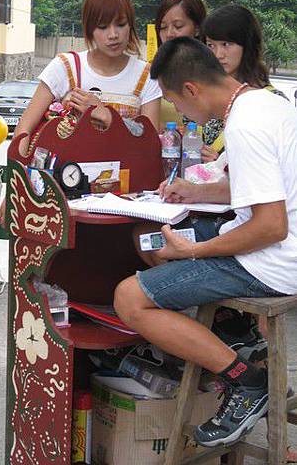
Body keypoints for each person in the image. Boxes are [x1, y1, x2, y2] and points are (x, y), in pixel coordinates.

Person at [114, 37, 297, 447]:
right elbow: (263, 188)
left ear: (192, 89)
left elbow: (270, 226)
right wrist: (200, 193)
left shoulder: (245, 125)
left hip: (274, 259)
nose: (178, 112)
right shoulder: (266, 103)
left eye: (176, 102)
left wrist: (193, 252)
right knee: (149, 241)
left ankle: (246, 382)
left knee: (129, 298)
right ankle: (236, 333)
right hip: (268, 243)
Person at [14, 0, 162, 154]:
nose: (113, 34)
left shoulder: (147, 75)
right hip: (65, 178)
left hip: (126, 177)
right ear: (89, 29)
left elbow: (151, 144)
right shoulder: (65, 67)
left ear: (131, 25)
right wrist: (20, 172)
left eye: (121, 24)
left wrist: (105, 115)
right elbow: (24, 128)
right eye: (103, 26)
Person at [200, 4, 286, 163]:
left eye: (226, 44)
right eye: (211, 45)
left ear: (248, 45)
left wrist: (221, 165)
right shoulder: (202, 95)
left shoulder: (271, 100)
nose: (218, 54)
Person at [153, 0, 207, 128]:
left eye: (178, 26)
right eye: (163, 27)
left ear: (197, 29)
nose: (169, 34)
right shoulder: (151, 74)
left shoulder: (213, 74)